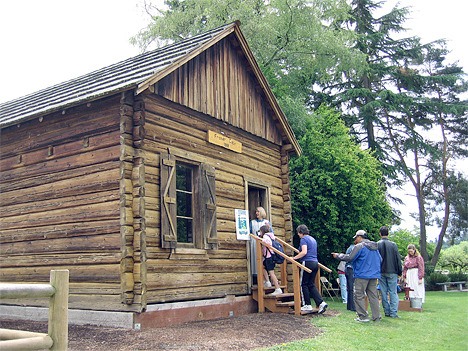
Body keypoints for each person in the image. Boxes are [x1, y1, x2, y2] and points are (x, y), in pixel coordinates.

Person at [332, 230, 382, 322]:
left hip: (362, 274)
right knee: (373, 296)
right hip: (374, 275)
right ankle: (376, 316)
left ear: (360, 237)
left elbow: (350, 257)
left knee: (358, 295)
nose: (356, 240)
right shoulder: (375, 247)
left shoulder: (359, 246)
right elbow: (380, 259)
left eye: (356, 238)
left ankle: (363, 316)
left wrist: (338, 256)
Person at [292, 224, 328, 313]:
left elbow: (304, 252)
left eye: (298, 233)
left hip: (307, 262)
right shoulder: (313, 239)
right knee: (311, 284)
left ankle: (306, 305)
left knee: (303, 284)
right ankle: (321, 302)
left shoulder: (303, 239)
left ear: (300, 232)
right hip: (315, 263)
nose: (298, 235)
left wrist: (294, 258)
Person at [377, 226, 402, 318]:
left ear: (380, 233)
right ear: (388, 233)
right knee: (393, 292)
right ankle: (393, 313)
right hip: (392, 271)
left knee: (383, 292)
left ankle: (387, 312)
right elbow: (398, 259)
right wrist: (400, 271)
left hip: (381, 271)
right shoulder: (393, 245)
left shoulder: (377, 244)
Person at [258, 225, 283, 295]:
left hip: (269, 257)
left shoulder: (266, 236)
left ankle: (278, 288)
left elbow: (267, 243)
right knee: (263, 266)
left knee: (271, 273)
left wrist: (261, 240)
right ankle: (268, 282)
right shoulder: (272, 236)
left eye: (260, 231)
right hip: (271, 257)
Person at [250, 207, 272, 285]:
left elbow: (271, 233)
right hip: (254, 243)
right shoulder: (252, 222)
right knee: (255, 260)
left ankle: (266, 280)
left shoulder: (266, 222)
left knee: (264, 261)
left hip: (264, 244)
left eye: (258, 211)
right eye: (256, 211)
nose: (256, 213)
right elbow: (249, 232)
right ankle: (258, 279)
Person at [344, 243, 356, 311]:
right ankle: (353, 307)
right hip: (351, 269)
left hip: (348, 269)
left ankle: (349, 306)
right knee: (352, 288)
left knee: (350, 289)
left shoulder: (350, 248)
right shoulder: (354, 248)